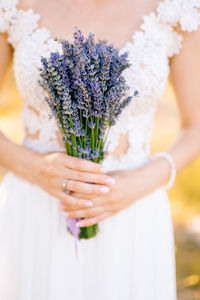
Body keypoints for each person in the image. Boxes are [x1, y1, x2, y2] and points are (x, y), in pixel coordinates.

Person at [0, 0, 200, 299]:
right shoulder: (13, 6)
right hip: (34, 208)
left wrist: (141, 182)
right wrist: (35, 167)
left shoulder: (177, 9)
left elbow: (195, 126)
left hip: (132, 210)